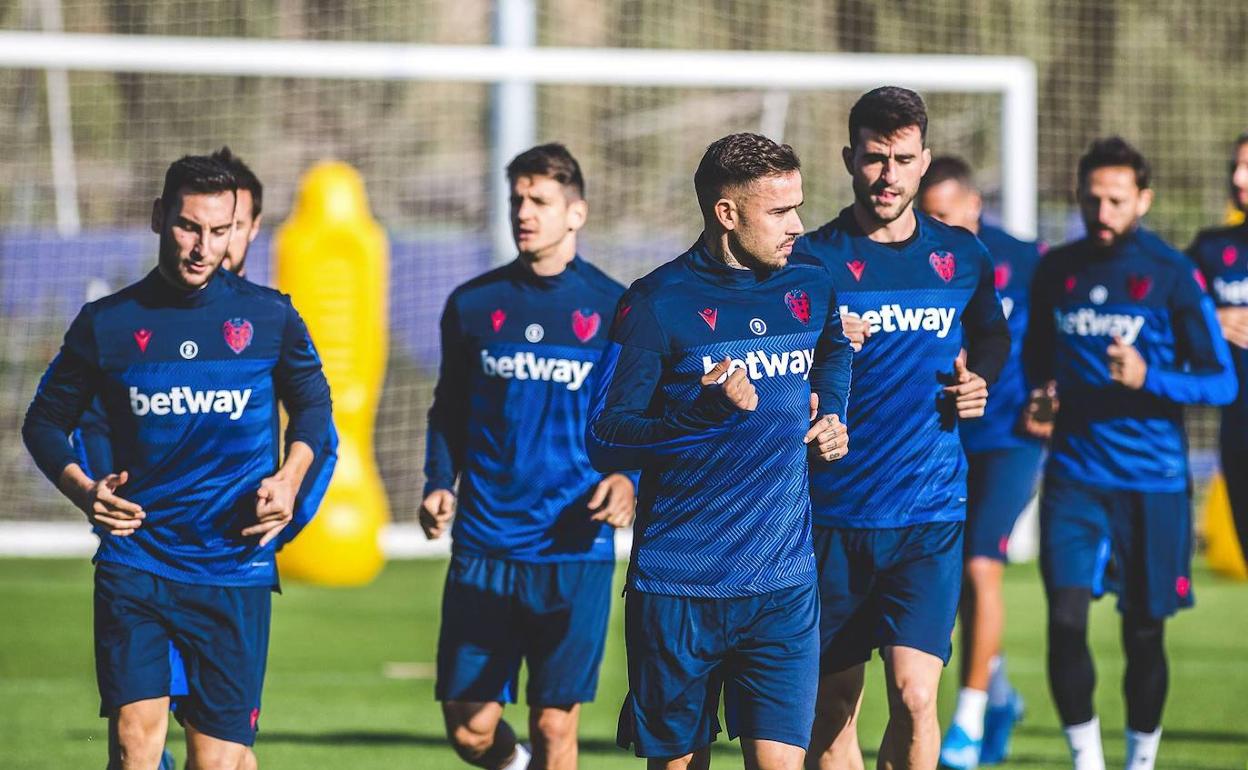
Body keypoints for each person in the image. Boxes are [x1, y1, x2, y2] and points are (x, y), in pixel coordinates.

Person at [23, 154, 334, 770]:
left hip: (233, 565)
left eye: (220, 231)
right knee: (136, 748)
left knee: (218, 763)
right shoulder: (108, 323)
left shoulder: (271, 317)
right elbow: (44, 423)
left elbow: (314, 410)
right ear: (160, 217)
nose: (203, 247)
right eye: (190, 227)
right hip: (138, 559)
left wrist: (290, 476)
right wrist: (84, 490)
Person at [587, 132, 853, 770]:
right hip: (679, 586)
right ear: (726, 214)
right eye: (779, 212)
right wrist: (701, 412)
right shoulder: (655, 303)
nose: (797, 226)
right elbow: (605, 435)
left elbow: (836, 348)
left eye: (798, 207)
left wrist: (834, 409)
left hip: (782, 584)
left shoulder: (812, 282)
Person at [795, 87, 1011, 770]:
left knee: (917, 697)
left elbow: (992, 336)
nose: (887, 175)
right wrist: (821, 351)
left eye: (902, 159)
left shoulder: (962, 256)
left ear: (923, 163)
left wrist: (981, 381)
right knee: (833, 713)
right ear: (848, 160)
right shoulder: (812, 261)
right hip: (831, 516)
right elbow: (771, 361)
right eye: (873, 159)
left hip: (929, 513)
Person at [1023, 136, 1236, 770]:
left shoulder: (1172, 273)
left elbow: (1220, 381)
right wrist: (1041, 396)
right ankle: (1087, 761)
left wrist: (1150, 378)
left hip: (1153, 482)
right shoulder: (1055, 270)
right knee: (1063, 623)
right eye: (1092, 199)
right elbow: (1037, 356)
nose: (1102, 211)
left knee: (1143, 632)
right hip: (1073, 477)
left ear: (1143, 199)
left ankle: (1139, 761)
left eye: (1117, 199)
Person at [421, 143, 635, 770]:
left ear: (576, 213)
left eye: (539, 200)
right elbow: (448, 409)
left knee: (554, 726)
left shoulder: (616, 308)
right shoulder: (472, 304)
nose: (524, 212)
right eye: (517, 199)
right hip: (485, 543)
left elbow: (639, 419)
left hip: (572, 546)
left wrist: (629, 478)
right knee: (469, 727)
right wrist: (440, 481)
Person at [918, 156, 1043, 768]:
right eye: (925, 214)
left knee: (980, 566)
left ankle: (963, 728)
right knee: (944, 581)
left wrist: (1053, 396)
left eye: (943, 214)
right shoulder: (910, 259)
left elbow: (1058, 339)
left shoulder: (1024, 260)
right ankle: (998, 695)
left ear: (973, 206)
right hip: (940, 438)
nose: (932, 224)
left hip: (1011, 438)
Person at [1187, 131, 1248, 562]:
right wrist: (1210, 318)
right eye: (1235, 166)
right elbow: (1163, 315)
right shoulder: (1212, 248)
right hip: (1238, 429)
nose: (1240, 178)